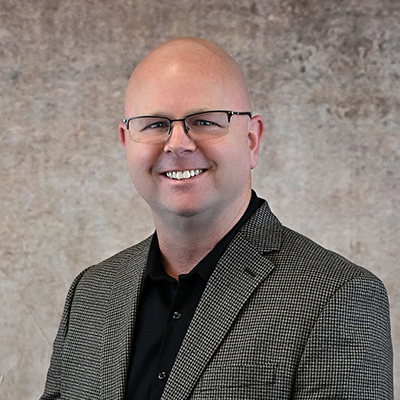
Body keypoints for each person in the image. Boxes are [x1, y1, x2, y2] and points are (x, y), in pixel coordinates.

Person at [41, 37, 393, 399]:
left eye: (205, 121)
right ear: (126, 141)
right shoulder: (91, 292)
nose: (178, 143)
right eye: (156, 124)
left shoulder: (338, 296)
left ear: (252, 140)